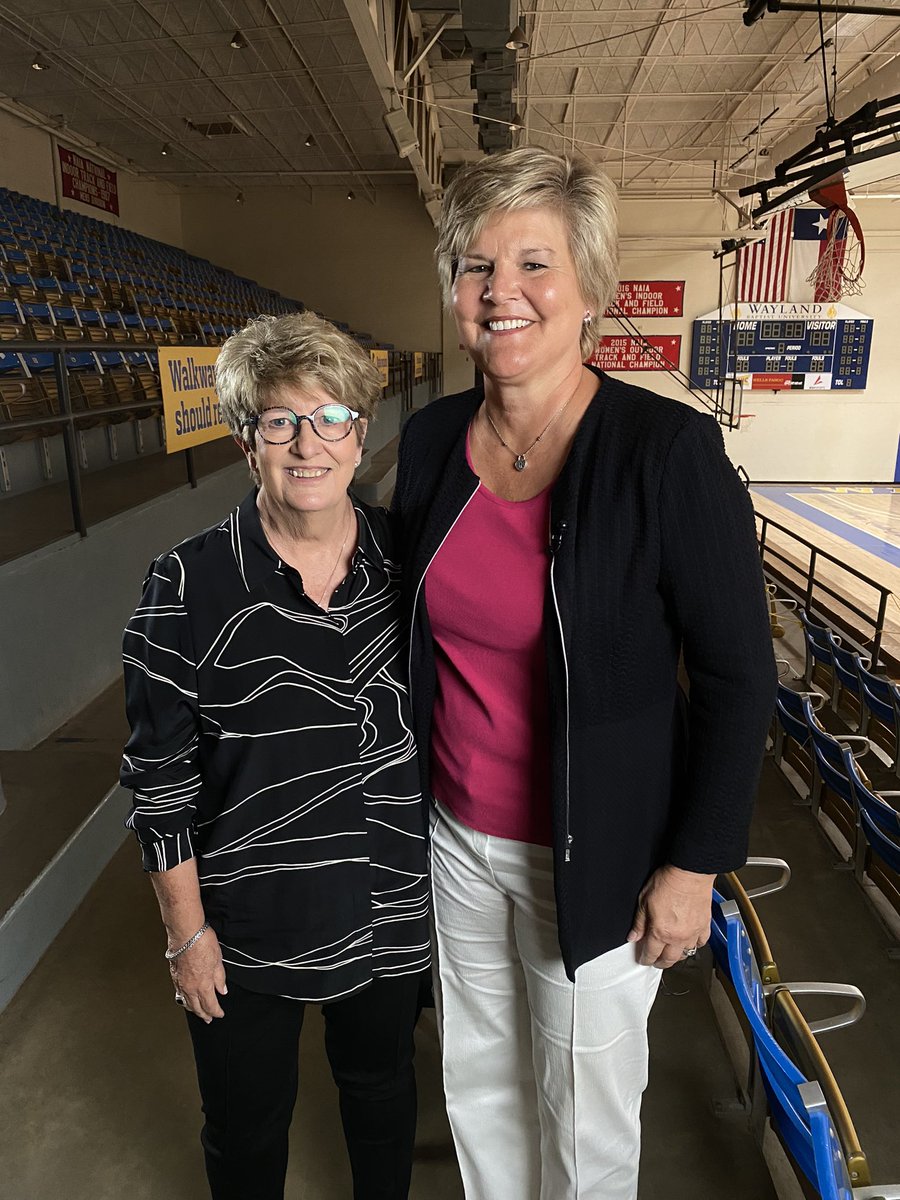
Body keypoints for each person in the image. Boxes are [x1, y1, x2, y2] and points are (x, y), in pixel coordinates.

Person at [391, 147, 777, 1200]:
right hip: (457, 839)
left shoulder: (665, 454)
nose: (500, 292)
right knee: (478, 1082)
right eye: (477, 268)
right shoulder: (428, 444)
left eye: (533, 264)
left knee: (585, 1108)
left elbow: (742, 678)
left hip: (600, 853)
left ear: (591, 290)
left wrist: (695, 864)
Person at [120, 312, 430, 1200]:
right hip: (246, 930)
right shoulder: (184, 583)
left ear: (359, 434)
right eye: (280, 420)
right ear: (245, 439)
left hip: (391, 908)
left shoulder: (405, 561)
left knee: (381, 1099)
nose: (308, 443)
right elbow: (158, 779)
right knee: (247, 1130)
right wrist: (187, 934)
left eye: (330, 417)